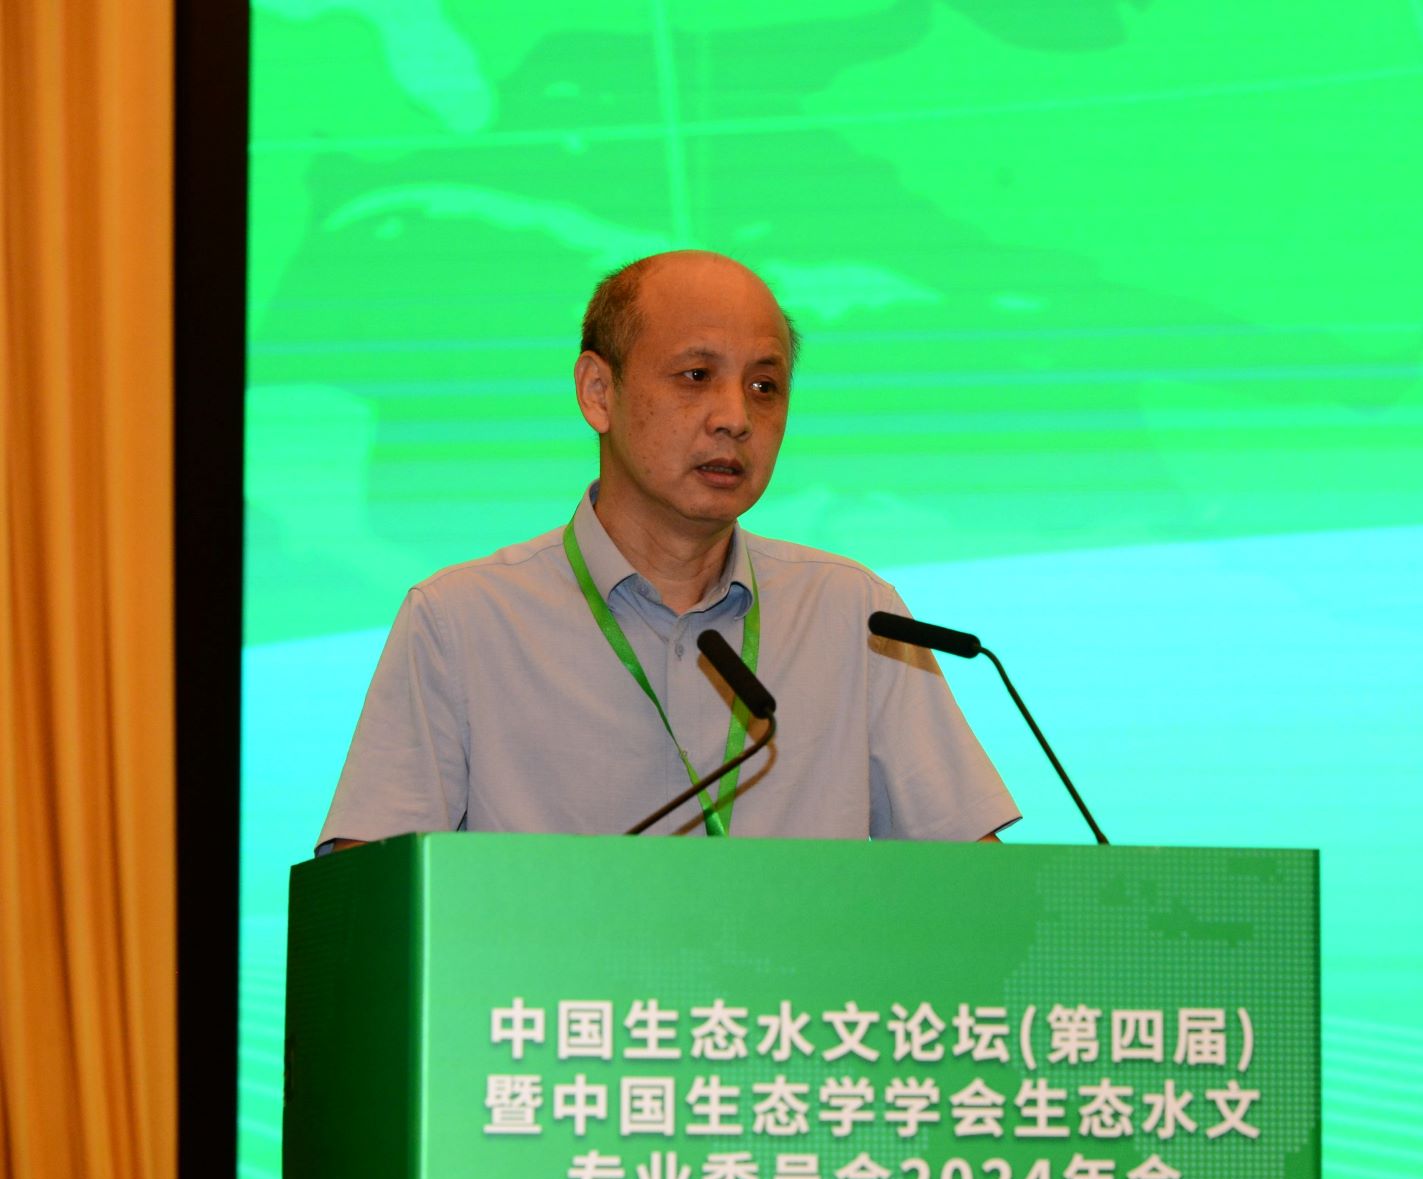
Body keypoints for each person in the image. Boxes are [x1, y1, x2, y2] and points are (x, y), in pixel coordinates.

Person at [317, 251, 1018, 851]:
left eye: (764, 387)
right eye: (696, 376)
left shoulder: (857, 618)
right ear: (598, 392)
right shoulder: (461, 622)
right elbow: (365, 909)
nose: (735, 418)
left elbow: (983, 899)